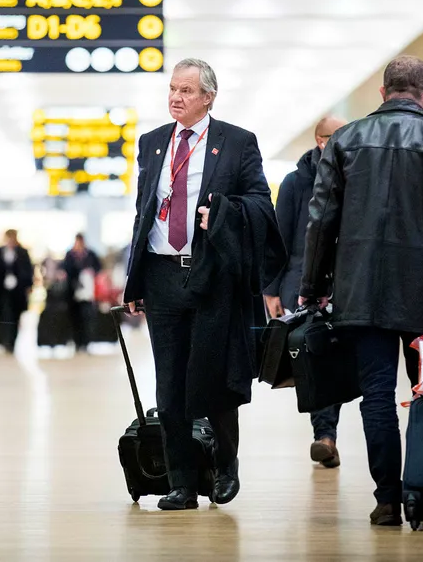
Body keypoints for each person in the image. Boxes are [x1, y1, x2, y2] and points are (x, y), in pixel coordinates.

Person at [301, 55, 423, 526]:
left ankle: (387, 499)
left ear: (383, 93)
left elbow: (321, 220)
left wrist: (313, 286)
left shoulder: (344, 140)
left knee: (377, 395)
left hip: (361, 291)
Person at [124, 58, 285, 511]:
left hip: (211, 273)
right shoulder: (153, 143)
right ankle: (181, 482)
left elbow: (260, 203)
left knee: (212, 375)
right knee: (170, 383)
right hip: (160, 274)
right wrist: (134, 280)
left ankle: (226, 465)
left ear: (208, 97)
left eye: (186, 91)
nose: (176, 97)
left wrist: (225, 215)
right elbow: (143, 214)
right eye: (172, 89)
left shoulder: (237, 142)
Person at [263, 116, 350, 469]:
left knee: (338, 361)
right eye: (336, 137)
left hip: (345, 285)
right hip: (302, 286)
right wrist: (270, 289)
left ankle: (326, 434)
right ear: (319, 140)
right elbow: (279, 238)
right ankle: (324, 435)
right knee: (316, 359)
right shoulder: (296, 183)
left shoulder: (354, 178)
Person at [0, 230, 34, 353]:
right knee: (3, 314)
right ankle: (4, 340)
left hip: (17, 292)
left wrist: (28, 286)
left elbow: (28, 271)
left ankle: (11, 341)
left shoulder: (22, 252)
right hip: (1, 291)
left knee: (15, 316)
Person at [62, 233, 102, 353]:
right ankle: (77, 341)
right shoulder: (70, 255)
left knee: (87, 317)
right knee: (75, 318)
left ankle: (86, 341)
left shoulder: (90, 254)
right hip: (73, 293)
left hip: (88, 292)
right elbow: (65, 270)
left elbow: (98, 268)